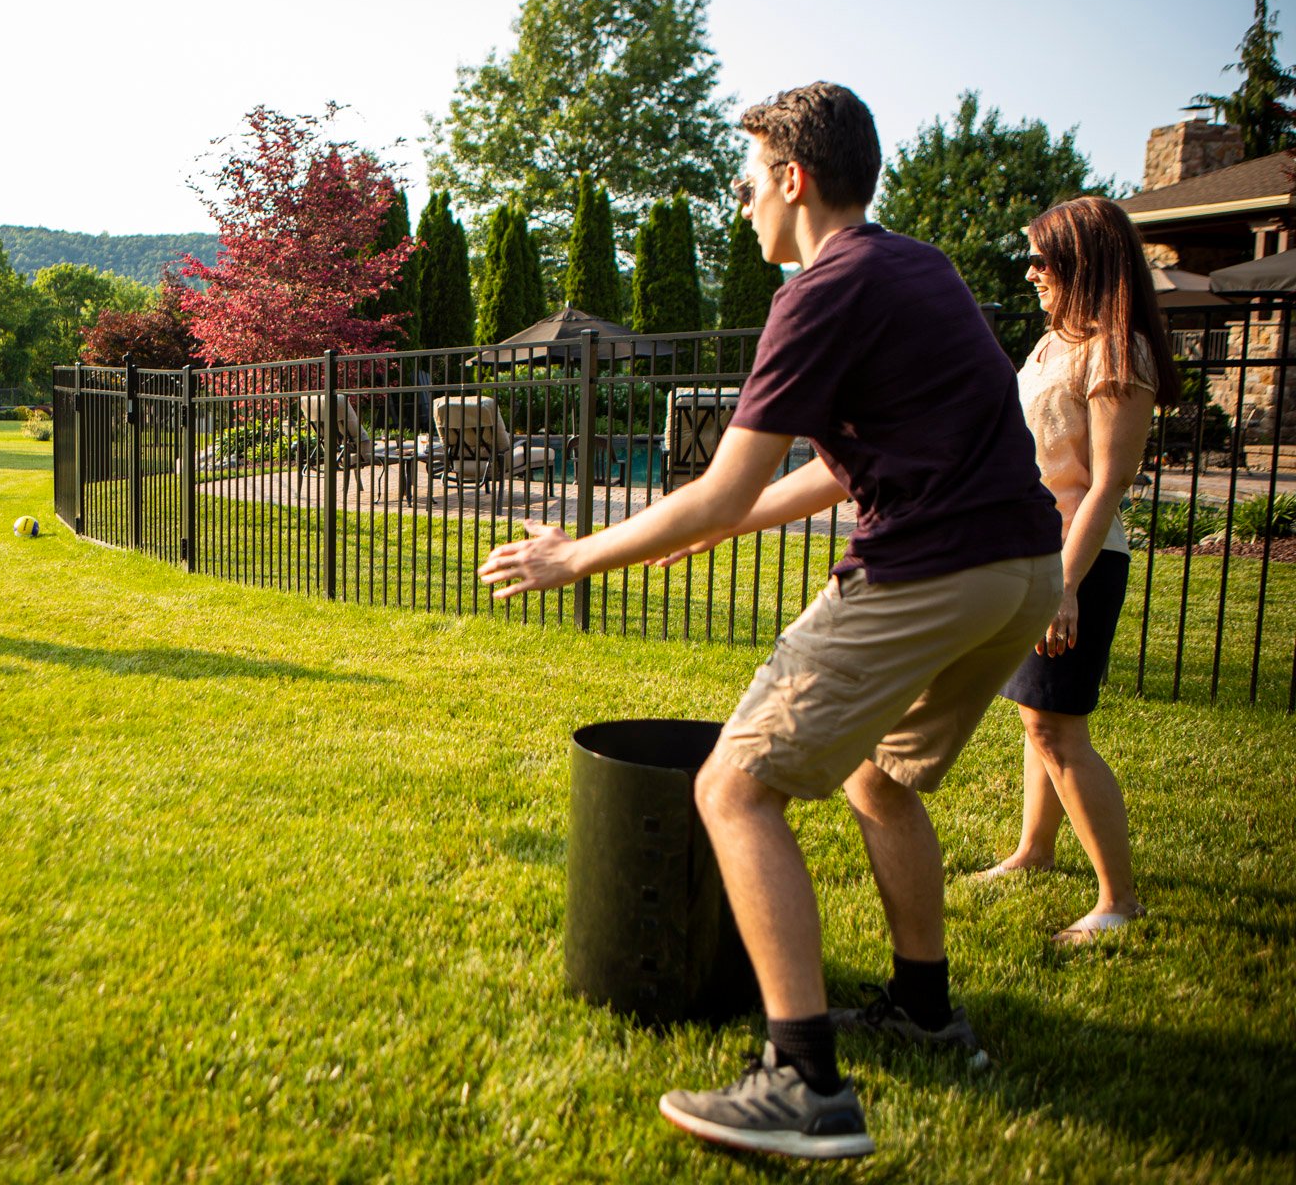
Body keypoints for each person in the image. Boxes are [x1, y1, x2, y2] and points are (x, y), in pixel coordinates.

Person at [478, 82, 1063, 1160]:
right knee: (874, 776)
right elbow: (836, 465)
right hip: (1021, 571)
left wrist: (575, 555)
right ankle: (927, 1011)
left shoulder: (821, 290)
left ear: (794, 179)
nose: (741, 204)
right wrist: (722, 524)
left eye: (747, 183)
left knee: (732, 785)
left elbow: (717, 485)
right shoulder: (916, 266)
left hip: (930, 567)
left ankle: (802, 1082)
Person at [980, 196, 1179, 943]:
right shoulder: (1049, 346)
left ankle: (1117, 900)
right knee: (1039, 721)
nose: (1029, 272)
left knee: (1062, 730)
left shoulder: (1117, 353)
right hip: (1036, 555)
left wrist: (1064, 583)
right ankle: (1034, 852)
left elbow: (1106, 482)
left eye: (1043, 260)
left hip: (1081, 562)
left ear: (1084, 264)